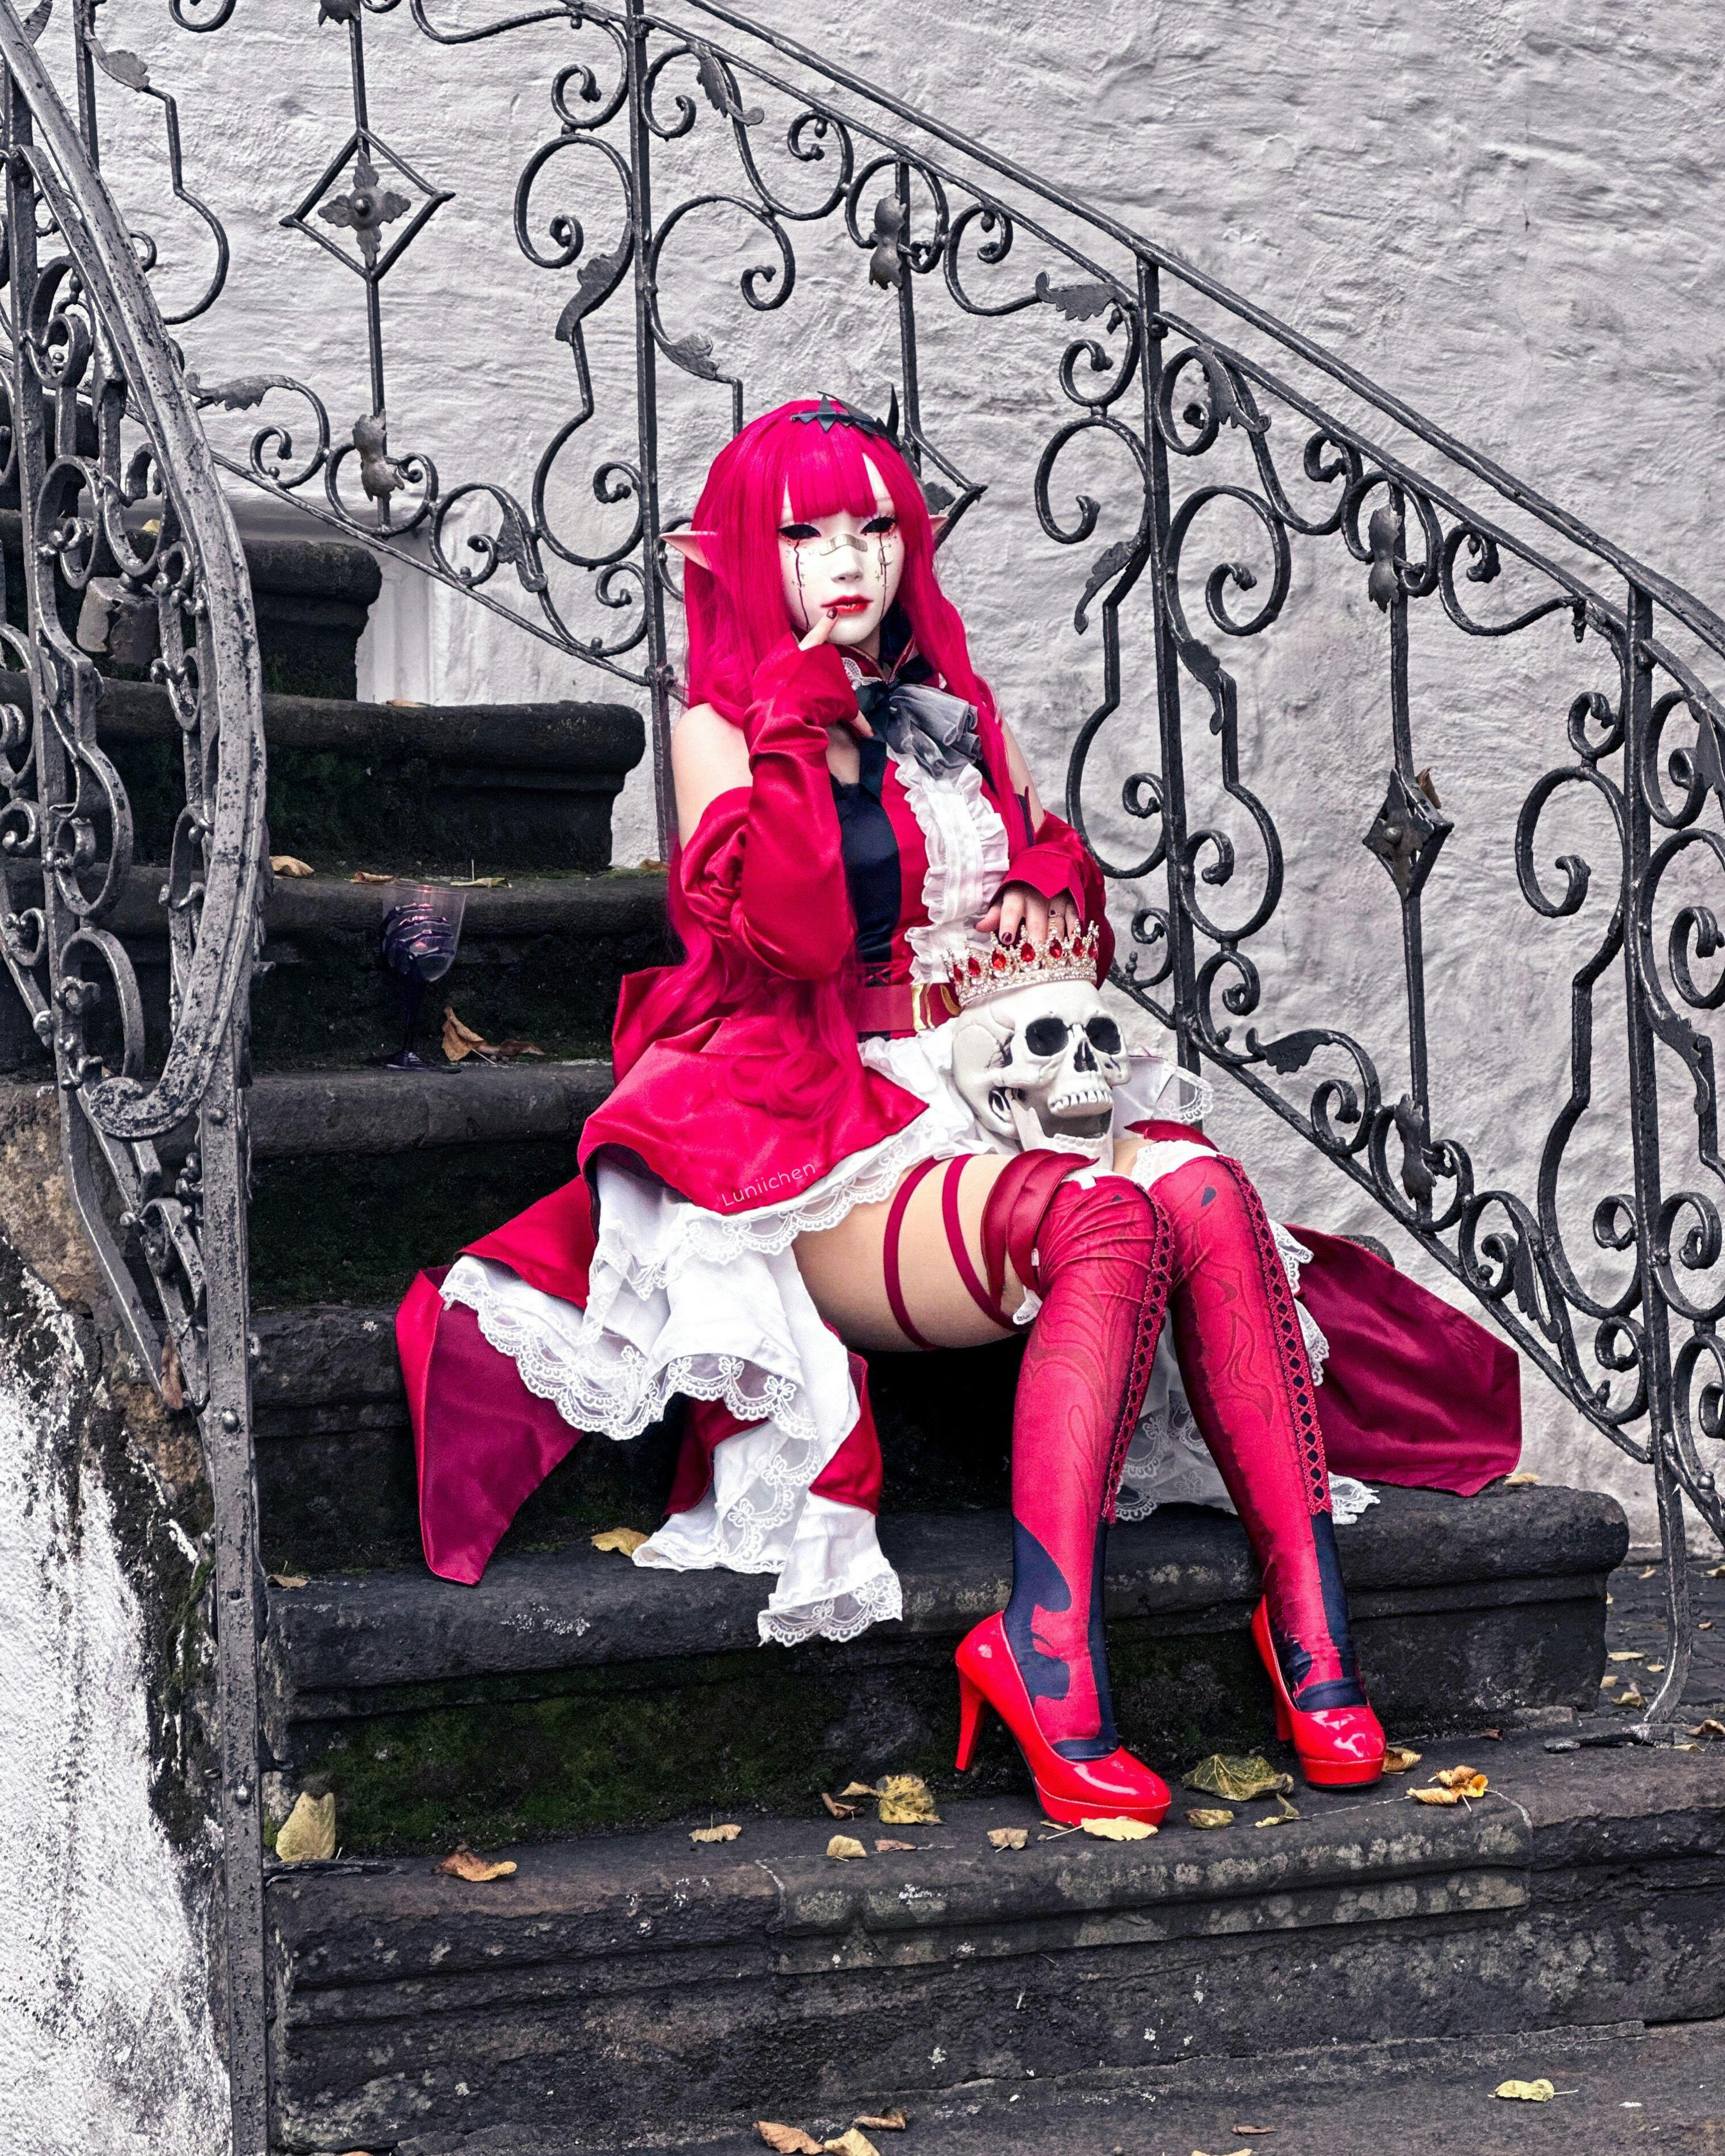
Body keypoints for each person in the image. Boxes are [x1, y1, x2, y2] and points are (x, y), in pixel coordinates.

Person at [397, 396, 1520, 1825]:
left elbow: (1055, 899)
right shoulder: (723, 733)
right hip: (822, 1124)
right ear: (749, 551)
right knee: (1108, 1220)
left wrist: (1042, 875)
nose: (848, 559)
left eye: (874, 525)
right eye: (806, 533)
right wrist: (802, 724)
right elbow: (795, 937)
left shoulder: (952, 719)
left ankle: (1311, 1627)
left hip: (994, 1089)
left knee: (1210, 1191)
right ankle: (1044, 1654)